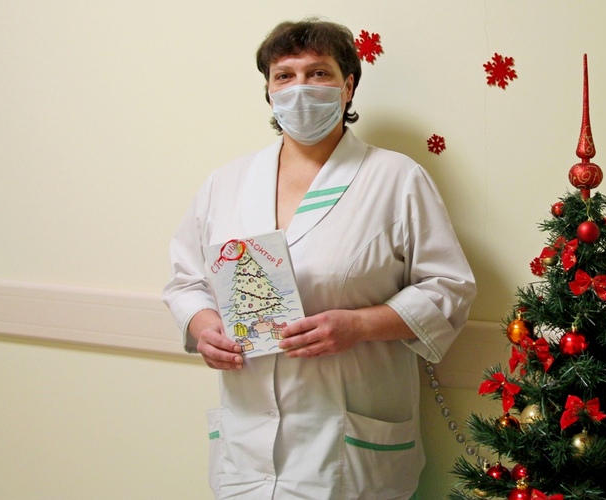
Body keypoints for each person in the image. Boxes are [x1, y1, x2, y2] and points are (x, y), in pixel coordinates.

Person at [162, 18, 476, 499]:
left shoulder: (396, 178)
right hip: (246, 444)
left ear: (347, 87)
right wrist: (206, 329)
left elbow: (449, 288)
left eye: (319, 73)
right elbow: (187, 281)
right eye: (284, 76)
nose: (300, 88)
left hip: (347, 448)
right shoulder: (225, 183)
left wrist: (359, 326)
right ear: (269, 91)